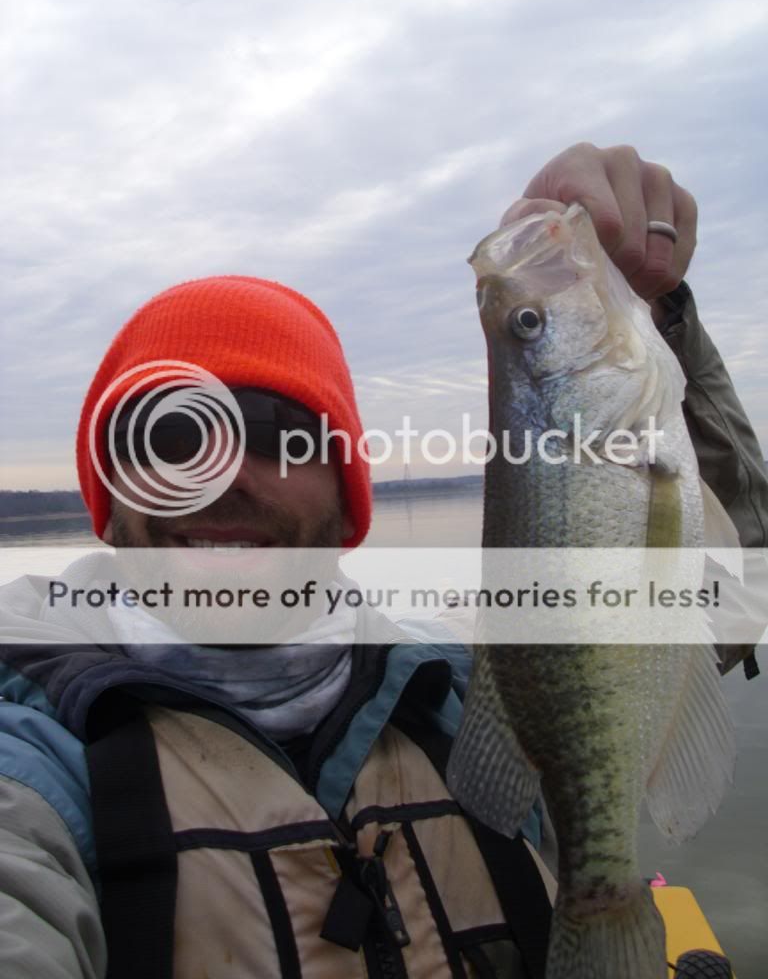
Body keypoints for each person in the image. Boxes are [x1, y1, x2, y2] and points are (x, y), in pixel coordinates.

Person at [0, 143, 765, 979]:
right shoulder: (30, 767)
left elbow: (731, 588)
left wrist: (655, 313)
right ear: (110, 492)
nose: (219, 472)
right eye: (172, 433)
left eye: (275, 431)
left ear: (346, 495)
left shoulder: (469, 680)